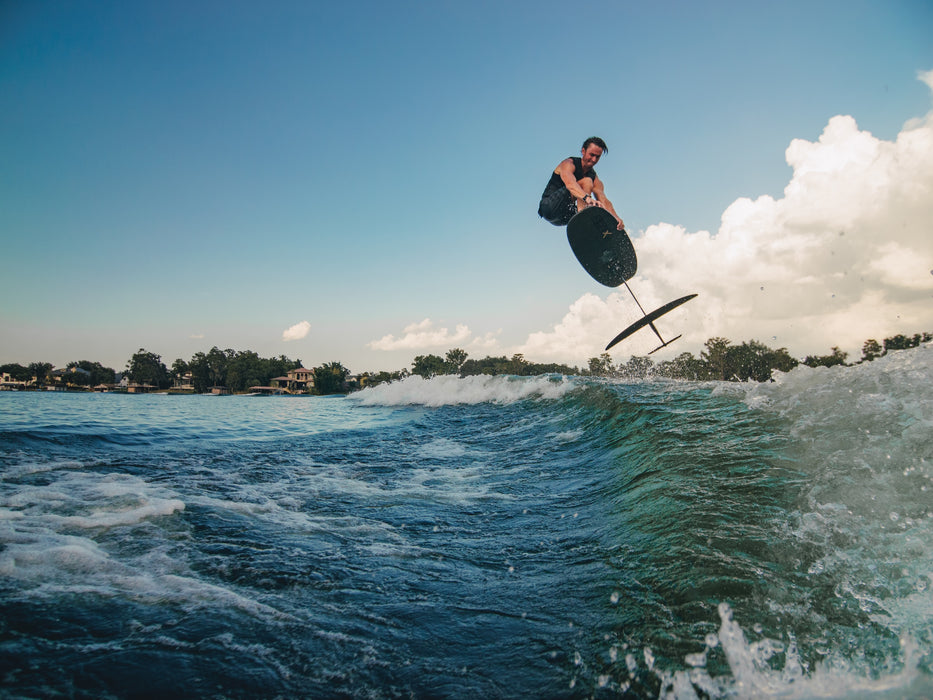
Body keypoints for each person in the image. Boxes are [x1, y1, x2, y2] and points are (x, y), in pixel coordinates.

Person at [538, 137, 625, 230]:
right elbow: (570, 184)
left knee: (596, 214)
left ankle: (587, 229)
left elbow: (603, 198)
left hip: (562, 217)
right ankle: (583, 218)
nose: (594, 159)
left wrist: (615, 217)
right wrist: (587, 198)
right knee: (586, 182)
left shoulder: (594, 178)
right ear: (583, 151)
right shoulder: (569, 163)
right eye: (591, 155)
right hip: (549, 206)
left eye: (597, 157)